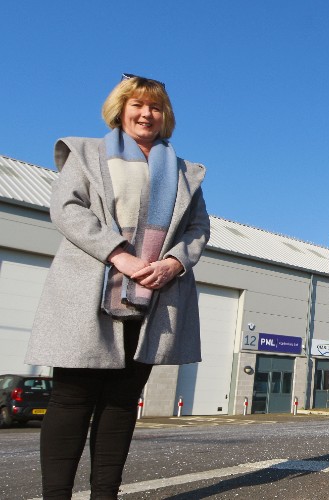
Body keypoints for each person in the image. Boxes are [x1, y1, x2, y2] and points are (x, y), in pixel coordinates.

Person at [24, 74, 210, 499]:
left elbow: (199, 227)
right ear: (120, 109)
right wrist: (119, 254)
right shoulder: (88, 153)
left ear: (166, 116)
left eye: (156, 107)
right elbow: (67, 208)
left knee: (122, 401)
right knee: (72, 398)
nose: (147, 114)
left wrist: (173, 262)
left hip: (154, 296)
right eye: (138, 105)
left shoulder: (183, 171)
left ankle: (105, 493)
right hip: (89, 290)